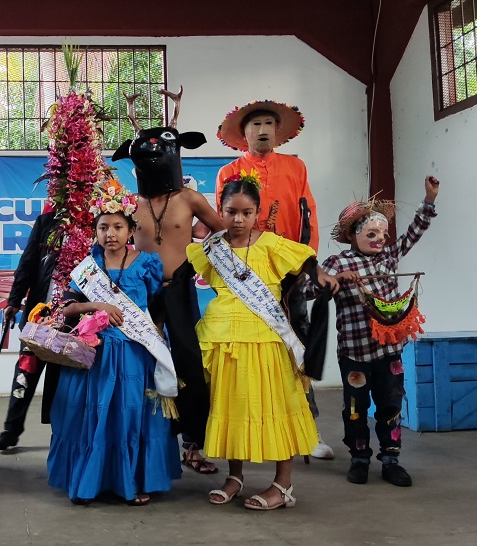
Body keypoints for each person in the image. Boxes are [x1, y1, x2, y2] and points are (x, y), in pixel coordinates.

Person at [187, 175, 338, 510]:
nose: (238, 219)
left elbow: (306, 260)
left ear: (257, 213)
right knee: (232, 406)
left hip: (266, 338)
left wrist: (321, 276)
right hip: (224, 335)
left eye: (246, 212)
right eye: (231, 211)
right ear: (220, 211)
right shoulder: (213, 249)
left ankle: (282, 484)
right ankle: (235, 476)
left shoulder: (270, 243)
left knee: (275, 405)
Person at [48, 179, 181, 505]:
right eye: (103, 227)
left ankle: (135, 481)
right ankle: (90, 481)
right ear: (95, 231)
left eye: (118, 226)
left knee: (132, 415)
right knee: (95, 417)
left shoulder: (147, 263)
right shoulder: (87, 269)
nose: (111, 234)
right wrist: (98, 306)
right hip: (97, 356)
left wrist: (158, 341)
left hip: (137, 355)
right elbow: (66, 307)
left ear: (131, 230)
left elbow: (158, 307)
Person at [215, 99, 334, 460]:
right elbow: (223, 221)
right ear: (243, 134)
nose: (263, 130)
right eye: (255, 125)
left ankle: (307, 429)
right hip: (244, 273)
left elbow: (307, 214)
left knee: (296, 343)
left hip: (286, 271)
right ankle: (237, 431)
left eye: (269, 123)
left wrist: (305, 266)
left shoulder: (295, 166)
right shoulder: (229, 171)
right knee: (240, 354)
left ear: (278, 132)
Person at [112, 103, 225, 474]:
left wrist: (198, 240)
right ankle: (150, 441)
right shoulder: (130, 204)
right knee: (143, 363)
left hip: (180, 287)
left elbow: (221, 230)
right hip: (141, 291)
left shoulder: (189, 198)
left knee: (190, 363)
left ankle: (194, 444)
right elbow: (115, 243)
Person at [307, 176, 440, 487]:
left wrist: (429, 199)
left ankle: (391, 459)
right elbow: (311, 289)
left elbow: (415, 231)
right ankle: (359, 458)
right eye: (371, 232)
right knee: (355, 408)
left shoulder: (389, 257)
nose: (380, 238)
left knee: (391, 405)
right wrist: (336, 278)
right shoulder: (337, 261)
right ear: (353, 235)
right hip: (354, 352)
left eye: (383, 232)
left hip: (388, 351)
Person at [0, 209, 62, 451]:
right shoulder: (47, 222)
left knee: (62, 379)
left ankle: (60, 432)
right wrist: (14, 300)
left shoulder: (94, 222)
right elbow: (28, 263)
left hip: (75, 319)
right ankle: (12, 429)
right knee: (25, 372)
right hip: (39, 315)